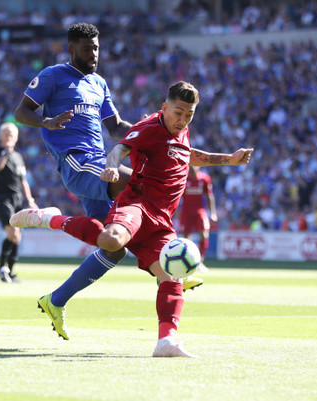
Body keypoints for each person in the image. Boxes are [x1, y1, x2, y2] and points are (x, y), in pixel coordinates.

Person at [11, 81, 253, 357]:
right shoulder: (149, 128)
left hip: (162, 221)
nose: (183, 119)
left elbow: (190, 156)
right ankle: (49, 219)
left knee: (171, 275)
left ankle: (167, 341)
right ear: (164, 108)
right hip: (136, 204)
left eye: (189, 114)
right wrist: (112, 168)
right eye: (178, 112)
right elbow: (119, 149)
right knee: (112, 241)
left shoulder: (181, 132)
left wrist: (228, 160)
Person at [14, 22, 204, 292]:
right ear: (71, 49)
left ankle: (55, 300)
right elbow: (21, 113)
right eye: (87, 49)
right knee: (138, 184)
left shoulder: (98, 83)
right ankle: (168, 262)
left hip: (100, 165)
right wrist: (47, 121)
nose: (93, 54)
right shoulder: (52, 76)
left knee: (113, 245)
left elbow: (115, 127)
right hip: (77, 161)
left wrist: (153, 132)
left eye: (96, 48)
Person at [0, 122, 39, 283]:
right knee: (12, 231)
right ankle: (2, 268)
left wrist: (30, 199)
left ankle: (9, 270)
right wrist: (6, 153)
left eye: (12, 133)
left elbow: (23, 180)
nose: (9, 136)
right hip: (0, 197)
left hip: (17, 197)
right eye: (6, 133)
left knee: (17, 236)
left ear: (16, 137)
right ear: (1, 136)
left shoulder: (18, 157)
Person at [178, 166, 218, 273]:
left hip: (199, 211)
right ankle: (188, 261)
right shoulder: (184, 178)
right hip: (186, 211)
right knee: (186, 238)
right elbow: (178, 196)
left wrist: (213, 213)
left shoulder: (204, 178)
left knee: (204, 234)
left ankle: (200, 261)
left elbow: (209, 196)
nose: (192, 168)